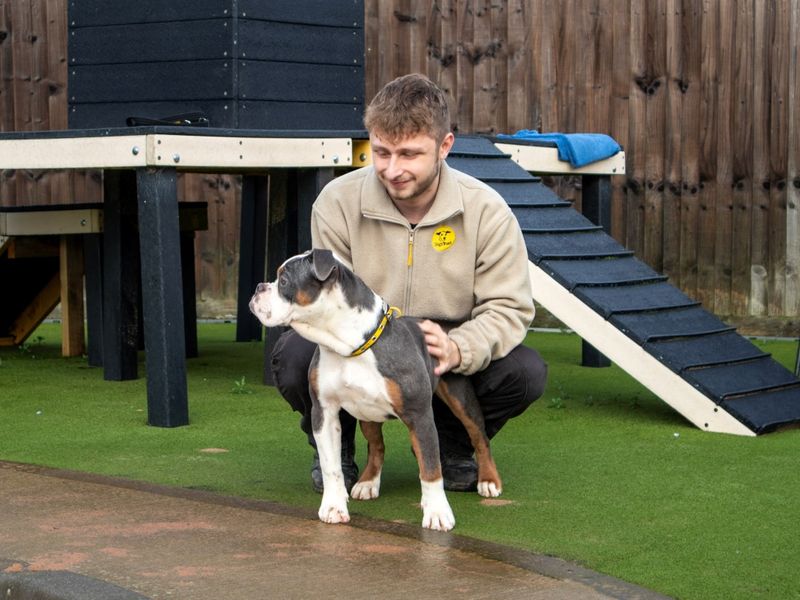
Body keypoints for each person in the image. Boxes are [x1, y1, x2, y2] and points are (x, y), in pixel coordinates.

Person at [271, 73, 547, 493]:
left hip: (442, 341)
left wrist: (460, 347)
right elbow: (325, 301)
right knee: (293, 357)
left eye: (409, 154)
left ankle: (453, 446)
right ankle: (336, 450)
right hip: (357, 339)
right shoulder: (336, 203)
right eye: (380, 152)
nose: (392, 169)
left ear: (444, 146)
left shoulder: (487, 211)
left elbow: (509, 309)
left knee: (524, 372)